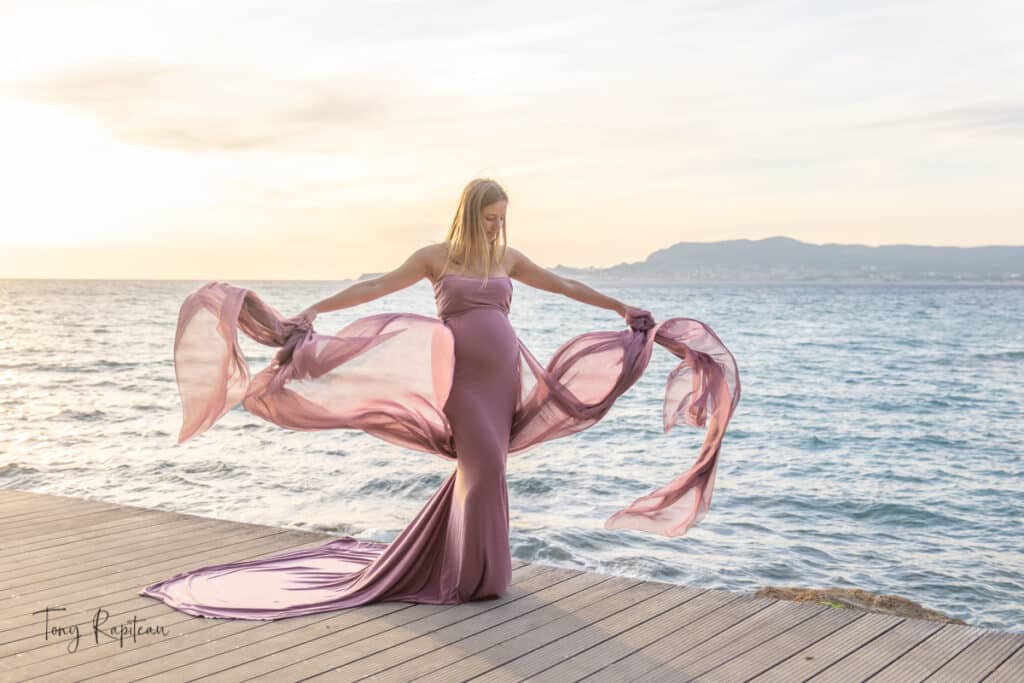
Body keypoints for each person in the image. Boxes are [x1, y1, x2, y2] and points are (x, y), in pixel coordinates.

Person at [140, 177, 741, 620]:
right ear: (469, 213)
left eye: (501, 219)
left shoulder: (507, 258)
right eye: (489, 218)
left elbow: (563, 284)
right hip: (463, 377)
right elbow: (377, 284)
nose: (496, 228)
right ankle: (472, 579)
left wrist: (617, 309)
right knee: (479, 470)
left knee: (489, 468)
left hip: (503, 369)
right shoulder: (435, 256)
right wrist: (320, 308)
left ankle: (475, 574)